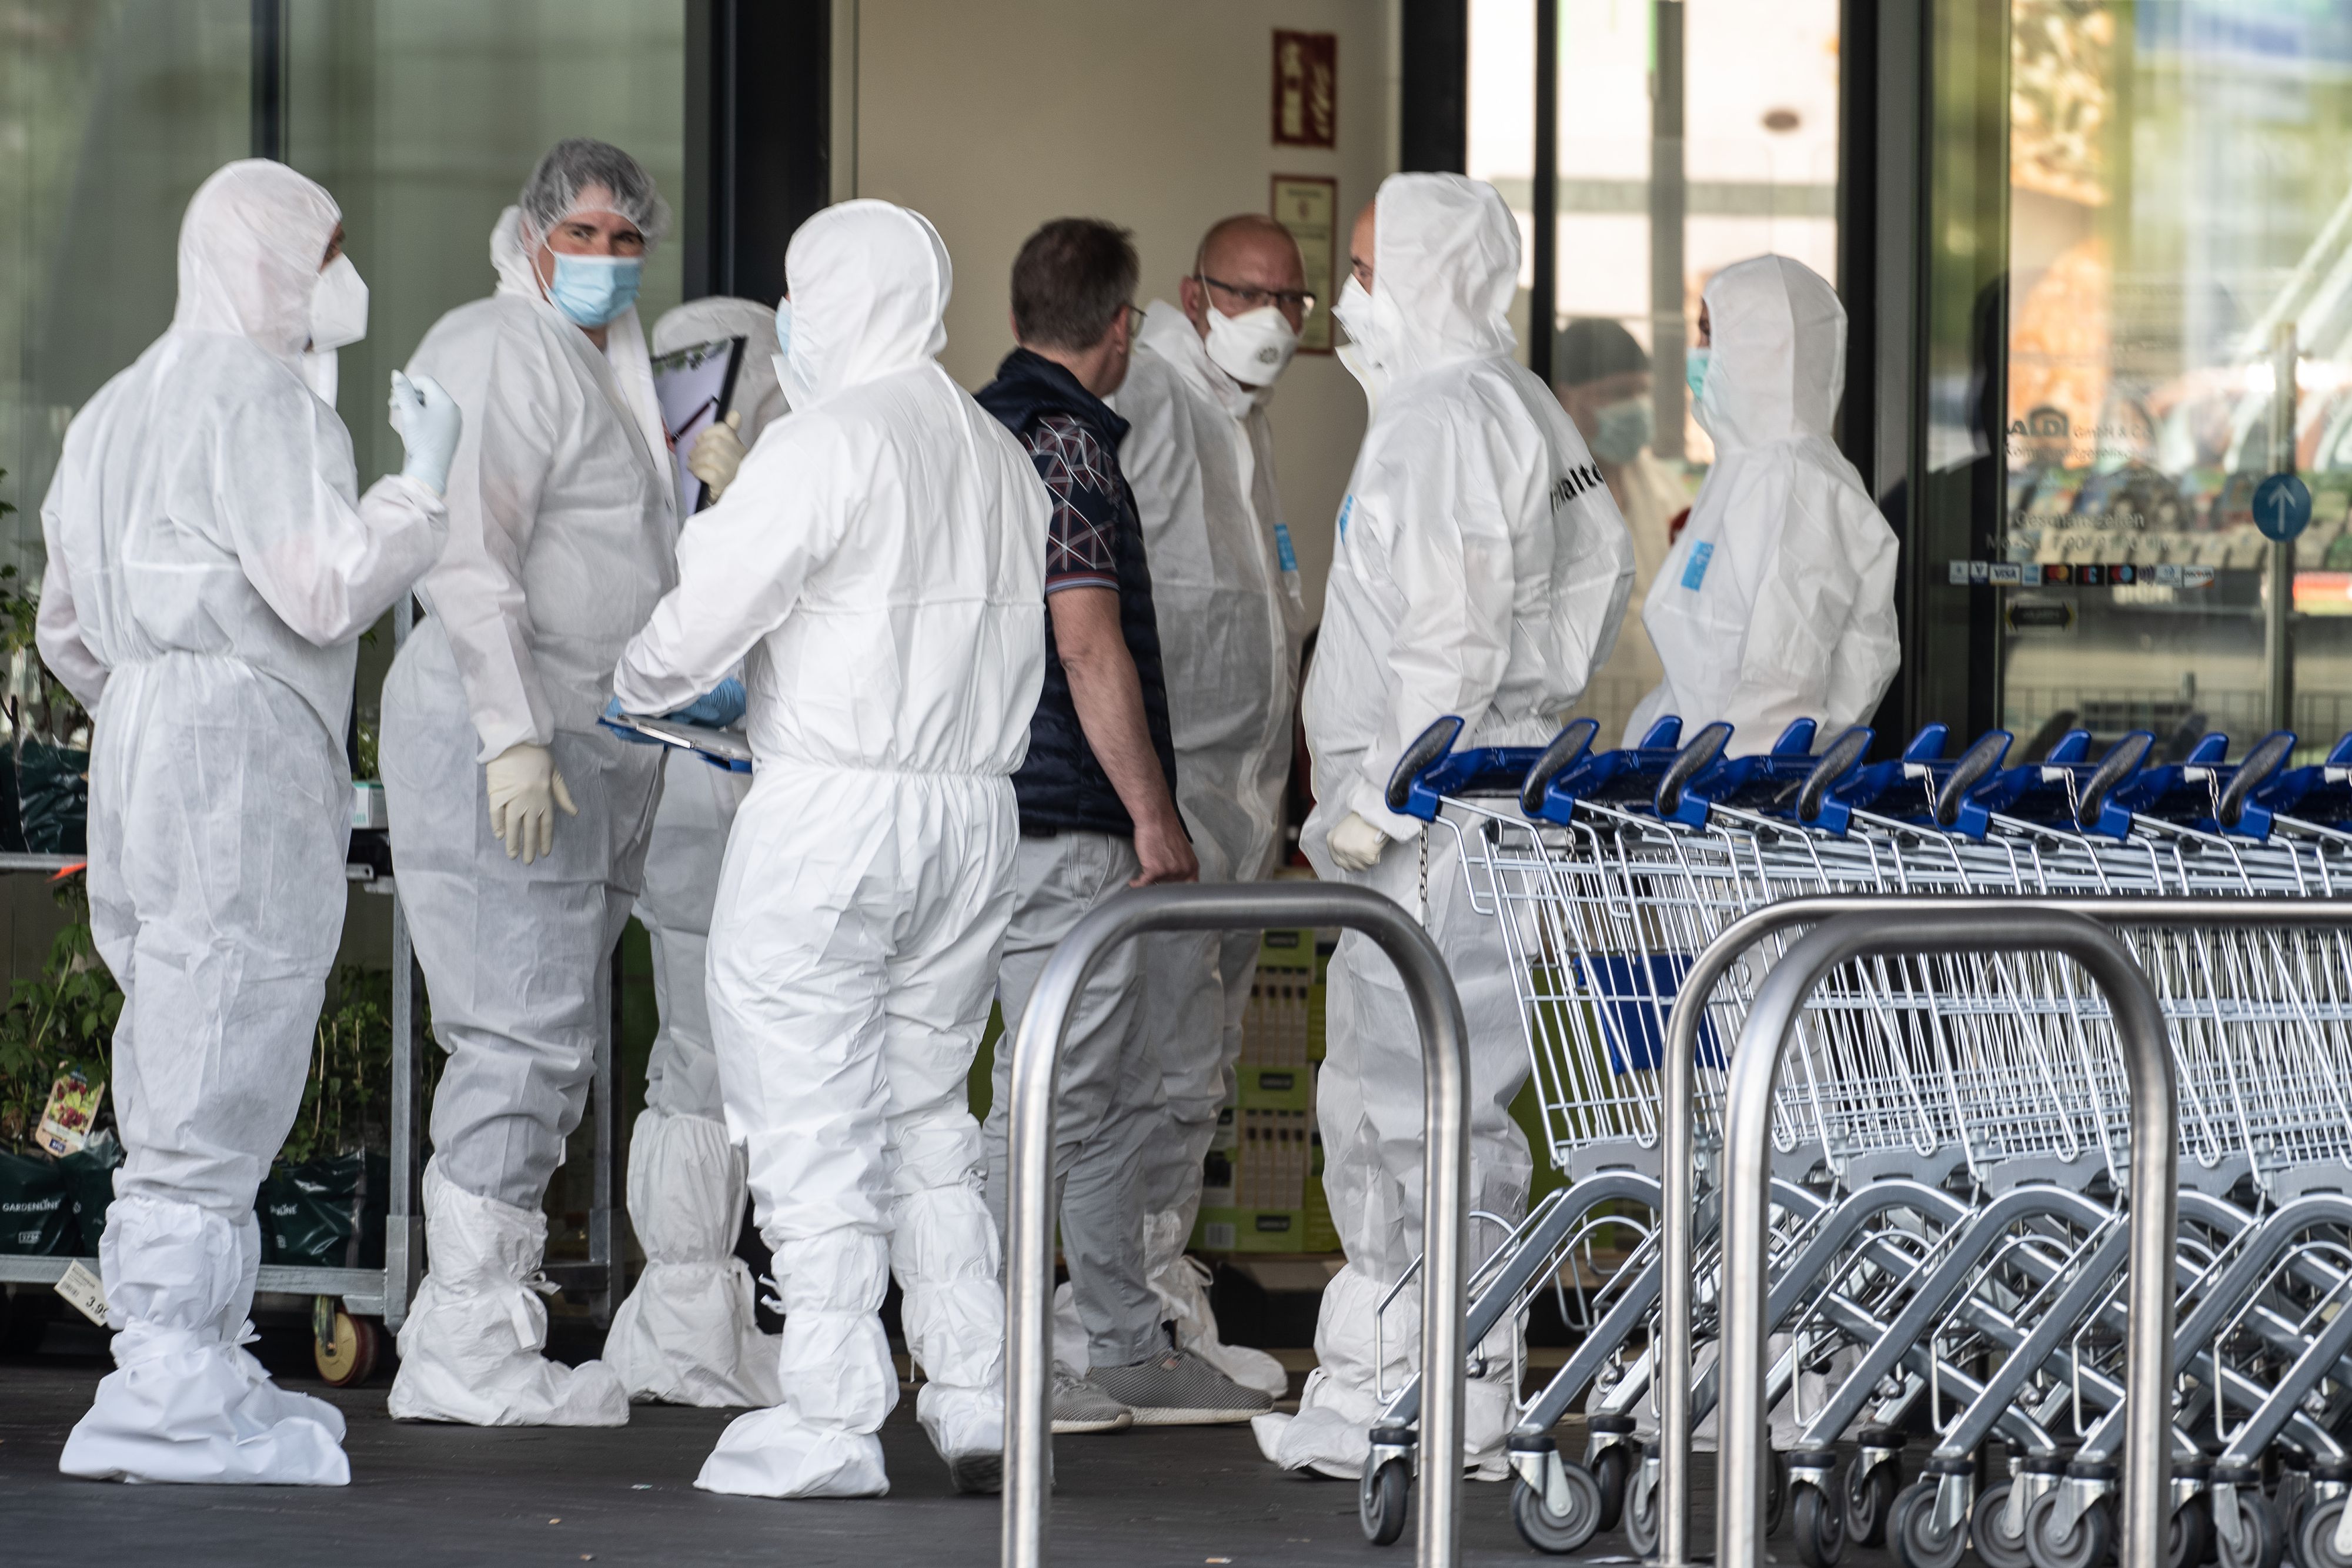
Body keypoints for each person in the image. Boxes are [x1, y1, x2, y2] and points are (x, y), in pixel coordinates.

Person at [610, 198, 1045, 1498]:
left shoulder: (824, 442)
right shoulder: (996, 454)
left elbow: (692, 633)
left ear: (830, 301)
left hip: (831, 814)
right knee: (926, 1110)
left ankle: (833, 1404)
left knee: (804, 1107)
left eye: (797, 295)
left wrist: (638, 679)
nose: (787, 322)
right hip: (972, 819)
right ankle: (971, 1395)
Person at [39, 159, 457, 1483]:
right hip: (236, 751)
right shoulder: (264, 400)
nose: (343, 277)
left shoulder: (113, 407)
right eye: (327, 249)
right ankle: (165, 1386)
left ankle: (197, 1357)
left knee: (174, 1023)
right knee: (221, 1043)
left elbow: (64, 629)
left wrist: (159, 686)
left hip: (144, 743)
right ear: (271, 261)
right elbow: (326, 585)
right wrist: (418, 491)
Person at [1255, 173, 1633, 1480]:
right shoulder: (1507, 403)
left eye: (1361, 265)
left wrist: (1371, 800)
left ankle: (1433, 1384)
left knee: (1415, 1097)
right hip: (1469, 793)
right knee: (1415, 1093)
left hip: (1432, 810)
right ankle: (1405, 1375)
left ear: (1418, 269)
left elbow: (1448, 636)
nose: (1348, 294)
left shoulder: (1443, 419)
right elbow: (1588, 584)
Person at [382, 138, 679, 1428]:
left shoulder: (590, 360)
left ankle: (479, 1325)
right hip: (506, 731)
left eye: (627, 241)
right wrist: (510, 732)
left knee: (542, 1037)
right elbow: (466, 554)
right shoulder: (495, 348)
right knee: (515, 1032)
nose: (608, 262)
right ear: (529, 231)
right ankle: (462, 1339)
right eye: (588, 236)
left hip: (575, 735)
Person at [974, 218, 1271, 1432]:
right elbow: (1088, 642)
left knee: (1066, 1091)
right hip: (1070, 811)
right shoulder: (1077, 452)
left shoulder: (977, 432)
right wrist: (1155, 815)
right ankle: (995, 1347)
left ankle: (1108, 1339)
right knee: (1049, 1087)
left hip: (991, 803)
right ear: (1123, 326)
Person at [1073, 214, 1308, 1400]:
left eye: (1291, 301)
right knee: (1135, 1063)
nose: (1270, 318)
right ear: (1191, 291)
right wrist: (1144, 795)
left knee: (1192, 1065)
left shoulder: (1241, 426)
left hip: (1233, 799)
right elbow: (1099, 604)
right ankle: (1100, 1309)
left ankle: (1154, 1298)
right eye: (1246, 293)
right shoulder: (1150, 402)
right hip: (1161, 798)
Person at [602, 297, 793, 1408]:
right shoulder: (678, 461)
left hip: (722, 789)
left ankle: (700, 1306)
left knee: (721, 1060)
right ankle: (683, 1311)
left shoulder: (713, 445)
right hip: (703, 789)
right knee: (703, 1060)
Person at [1623, 255, 1899, 753]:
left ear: (1763, 347)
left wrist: (1715, 796)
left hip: (1729, 804)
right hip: (1688, 789)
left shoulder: (1796, 483)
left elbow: (1780, 692)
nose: (1698, 352)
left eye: (1710, 334)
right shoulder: (1747, 467)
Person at [1551, 318, 1683, 745]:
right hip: (1571, 733)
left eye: (1641, 392)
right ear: (1565, 397)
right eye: (1618, 394)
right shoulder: (1542, 491)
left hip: (1654, 737)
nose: (1637, 407)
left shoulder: (1663, 489)